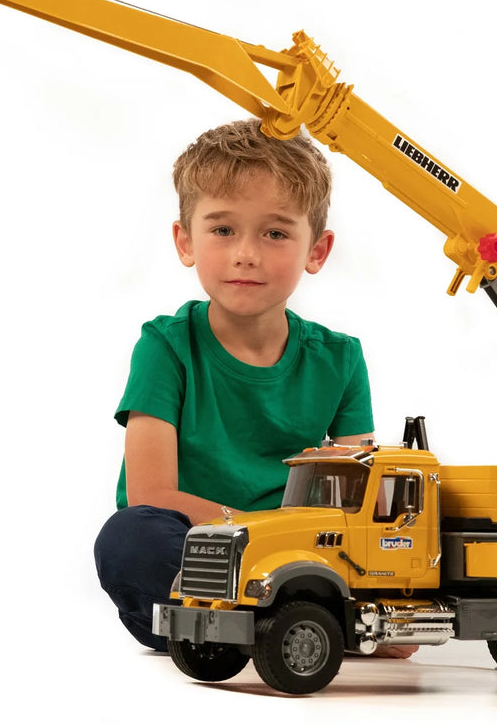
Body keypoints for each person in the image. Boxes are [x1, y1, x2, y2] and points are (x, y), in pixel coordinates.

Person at [93, 118, 416, 658]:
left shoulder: (339, 358)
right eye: (222, 230)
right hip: (202, 549)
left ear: (317, 250)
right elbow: (152, 494)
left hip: (302, 559)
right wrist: (262, 537)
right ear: (184, 240)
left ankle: (270, 630)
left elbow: (355, 498)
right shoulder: (166, 346)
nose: (247, 253)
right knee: (131, 537)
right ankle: (269, 629)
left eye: (275, 232)